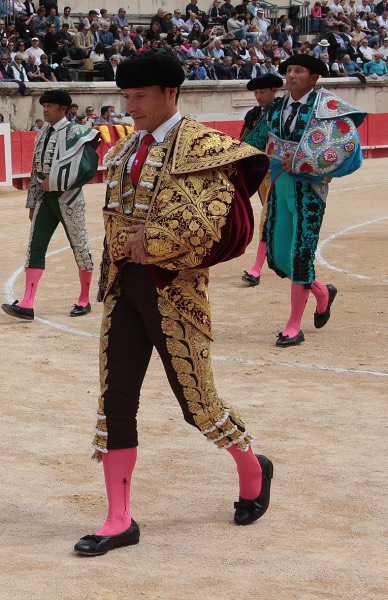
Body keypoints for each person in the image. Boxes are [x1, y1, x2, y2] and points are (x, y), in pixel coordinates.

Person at [75, 50, 272, 558]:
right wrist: (124, 244)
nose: (131, 107)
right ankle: (119, 518)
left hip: (176, 293)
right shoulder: (122, 154)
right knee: (114, 401)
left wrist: (155, 240)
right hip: (124, 289)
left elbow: (226, 227)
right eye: (126, 97)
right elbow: (113, 223)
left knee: (198, 406)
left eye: (139, 96)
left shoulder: (205, 148)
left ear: (170, 92)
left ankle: (253, 466)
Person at [243, 53, 366, 347]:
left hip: (310, 190)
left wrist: (303, 162)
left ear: (313, 78)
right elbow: (253, 143)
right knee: (279, 257)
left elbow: (347, 147)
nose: (291, 75)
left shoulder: (329, 107)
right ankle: (322, 292)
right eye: (289, 70)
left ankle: (293, 325)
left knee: (301, 253)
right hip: (279, 183)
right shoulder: (275, 107)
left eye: (299, 71)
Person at [2, 89, 100, 321]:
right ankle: (27, 303)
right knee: (35, 247)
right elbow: (36, 168)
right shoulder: (42, 133)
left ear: (63, 109)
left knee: (80, 246)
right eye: (44, 105)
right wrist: (32, 203)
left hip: (70, 199)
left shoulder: (78, 132)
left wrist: (56, 181)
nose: (45, 109)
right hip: (45, 201)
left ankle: (84, 299)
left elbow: (86, 168)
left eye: (50, 105)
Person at [239, 73, 283, 287]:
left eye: (262, 92)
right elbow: (243, 141)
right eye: (256, 93)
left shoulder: (283, 110)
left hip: (278, 170)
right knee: (271, 213)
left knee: (268, 216)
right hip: (261, 171)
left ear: (274, 90)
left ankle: (257, 269)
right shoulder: (255, 114)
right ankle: (282, 257)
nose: (258, 96)